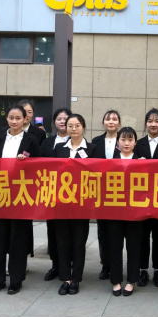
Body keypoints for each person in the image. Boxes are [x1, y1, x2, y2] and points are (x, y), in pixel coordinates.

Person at [0, 105, 41, 295]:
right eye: (11, 117)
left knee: (18, 238)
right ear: (7, 119)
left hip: (21, 194)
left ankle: (16, 280)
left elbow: (39, 166)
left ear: (25, 119)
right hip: (1, 193)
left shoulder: (31, 140)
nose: (14, 121)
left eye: (18, 118)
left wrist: (27, 163)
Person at [52, 114, 100, 295]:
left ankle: (76, 279)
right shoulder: (59, 148)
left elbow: (98, 173)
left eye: (77, 125)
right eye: (70, 125)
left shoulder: (92, 149)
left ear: (83, 127)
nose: (73, 129)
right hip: (61, 204)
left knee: (79, 243)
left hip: (82, 204)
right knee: (62, 242)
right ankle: (65, 278)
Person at [134, 108, 158, 288]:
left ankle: (157, 270)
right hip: (141, 199)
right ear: (146, 123)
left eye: (157, 121)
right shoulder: (138, 143)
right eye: (150, 121)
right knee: (142, 237)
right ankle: (142, 270)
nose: (153, 124)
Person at [107, 127, 144, 297]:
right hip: (114, 212)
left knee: (133, 247)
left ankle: (131, 280)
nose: (126, 143)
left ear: (135, 142)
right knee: (114, 246)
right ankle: (115, 280)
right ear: (118, 142)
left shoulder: (142, 162)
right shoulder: (109, 162)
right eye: (123, 139)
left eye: (130, 139)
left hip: (135, 213)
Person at [40, 108, 72, 282]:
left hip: (71, 195)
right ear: (54, 122)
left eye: (66, 119)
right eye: (59, 119)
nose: (62, 122)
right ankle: (55, 265)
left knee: (70, 232)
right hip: (51, 193)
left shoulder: (77, 141)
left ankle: (70, 264)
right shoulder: (47, 142)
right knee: (52, 231)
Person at [92, 110, 122, 281]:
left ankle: (116, 264)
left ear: (119, 123)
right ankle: (106, 264)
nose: (111, 121)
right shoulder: (96, 142)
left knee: (116, 231)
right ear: (103, 122)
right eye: (108, 119)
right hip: (101, 193)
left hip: (120, 192)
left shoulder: (124, 139)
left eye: (114, 119)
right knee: (103, 231)